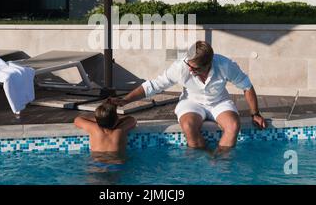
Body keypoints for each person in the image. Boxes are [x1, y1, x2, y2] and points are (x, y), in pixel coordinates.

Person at [109, 41, 267, 153]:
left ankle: (221, 162)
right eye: (189, 65)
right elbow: (153, 86)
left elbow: (246, 86)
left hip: (219, 102)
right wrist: (126, 100)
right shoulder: (181, 67)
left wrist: (255, 114)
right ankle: (203, 157)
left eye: (195, 68)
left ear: (208, 64)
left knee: (233, 126)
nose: (190, 70)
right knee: (188, 127)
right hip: (191, 103)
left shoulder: (224, 65)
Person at [74, 101, 137, 166]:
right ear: (116, 119)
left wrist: (99, 119)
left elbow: (77, 119)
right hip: (116, 163)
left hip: (97, 162)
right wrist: (117, 120)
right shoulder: (120, 130)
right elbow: (132, 120)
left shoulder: (94, 128)